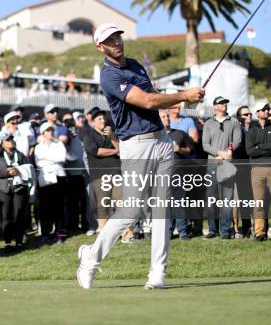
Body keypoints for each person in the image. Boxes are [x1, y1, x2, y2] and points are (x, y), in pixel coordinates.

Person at [76, 23, 204, 290]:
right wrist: (183, 95)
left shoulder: (135, 65)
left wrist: (182, 101)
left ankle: (158, 273)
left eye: (118, 37)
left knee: (161, 210)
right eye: (109, 40)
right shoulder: (108, 75)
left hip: (161, 141)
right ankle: (91, 257)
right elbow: (146, 101)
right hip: (135, 146)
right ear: (100, 47)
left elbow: (155, 97)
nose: (116, 43)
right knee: (132, 209)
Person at [201, 96, 242, 239]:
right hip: (212, 164)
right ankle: (212, 230)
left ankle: (225, 230)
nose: (225, 105)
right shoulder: (208, 123)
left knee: (227, 198)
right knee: (211, 198)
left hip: (228, 165)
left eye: (226, 103)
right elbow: (205, 144)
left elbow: (237, 140)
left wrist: (226, 153)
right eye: (221, 103)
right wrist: (219, 153)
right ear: (215, 106)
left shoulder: (234, 122)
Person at [245, 103, 271, 241]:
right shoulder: (251, 131)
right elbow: (250, 151)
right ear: (257, 113)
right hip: (257, 169)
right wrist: (267, 148)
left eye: (269, 109)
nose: (268, 111)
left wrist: (259, 147)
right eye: (264, 109)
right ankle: (260, 232)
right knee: (259, 202)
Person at [0, 131, 33, 253]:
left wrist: (18, 170)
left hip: (19, 188)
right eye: (7, 140)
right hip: (4, 189)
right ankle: (8, 242)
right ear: (2, 144)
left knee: (19, 214)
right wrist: (7, 173)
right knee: (6, 215)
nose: (10, 141)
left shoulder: (20, 154)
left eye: (11, 139)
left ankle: (19, 241)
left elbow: (29, 169)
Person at [81, 109, 121, 231]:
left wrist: (112, 137)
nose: (103, 120)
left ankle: (127, 234)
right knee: (103, 205)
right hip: (99, 175)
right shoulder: (88, 135)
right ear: (93, 122)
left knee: (120, 202)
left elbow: (121, 149)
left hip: (116, 172)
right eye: (99, 119)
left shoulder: (111, 133)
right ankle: (103, 233)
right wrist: (114, 151)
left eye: (103, 118)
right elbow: (96, 151)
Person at [159, 109, 193, 240]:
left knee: (180, 203)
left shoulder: (180, 134)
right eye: (163, 117)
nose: (166, 118)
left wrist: (180, 149)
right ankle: (168, 231)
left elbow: (190, 150)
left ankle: (183, 231)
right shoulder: (155, 136)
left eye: (167, 116)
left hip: (178, 173)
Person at [35, 122, 68, 243]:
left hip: (59, 177)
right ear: (43, 133)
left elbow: (62, 158)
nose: (50, 133)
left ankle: (58, 233)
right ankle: (45, 233)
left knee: (58, 206)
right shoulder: (39, 147)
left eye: (51, 130)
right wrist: (53, 159)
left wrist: (47, 158)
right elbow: (38, 162)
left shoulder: (59, 144)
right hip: (45, 178)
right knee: (45, 207)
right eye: (47, 131)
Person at [233, 105, 254, 238]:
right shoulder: (237, 131)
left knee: (250, 199)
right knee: (239, 199)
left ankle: (249, 228)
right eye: (245, 114)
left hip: (254, 167)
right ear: (239, 117)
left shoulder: (256, 129)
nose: (249, 116)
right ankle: (238, 228)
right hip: (240, 167)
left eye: (250, 113)